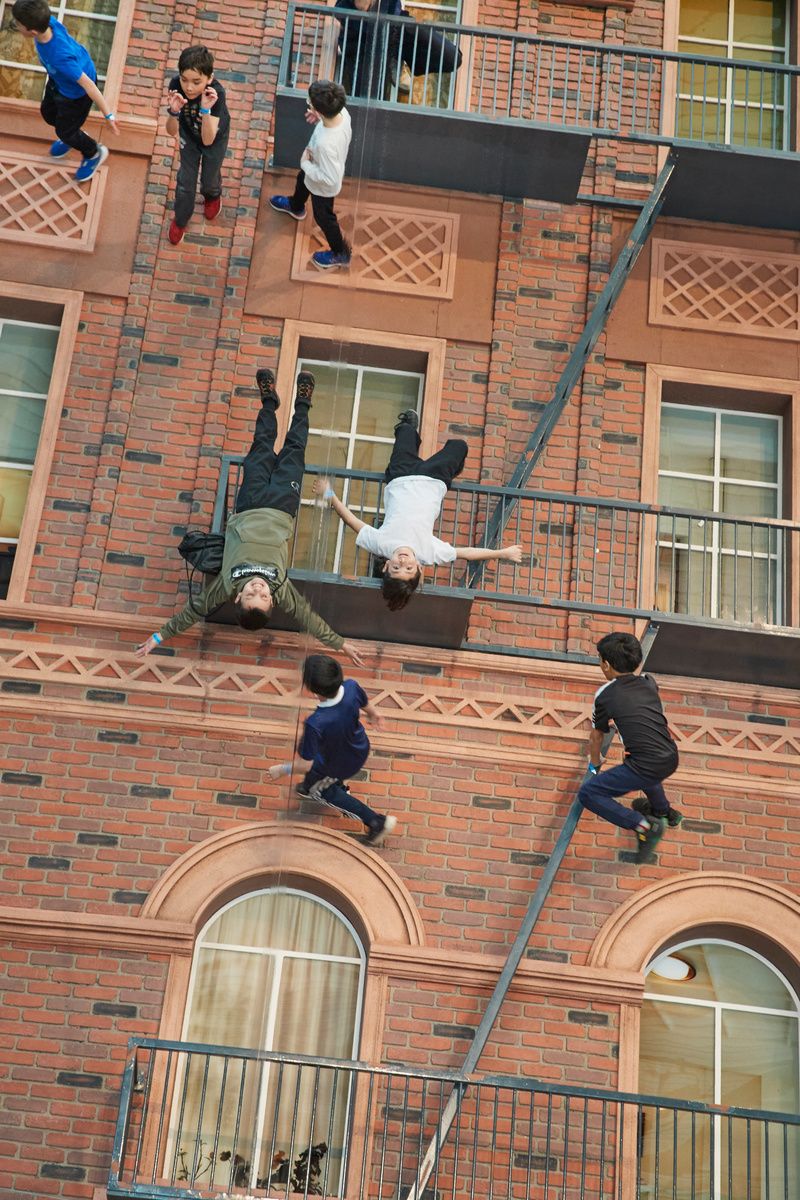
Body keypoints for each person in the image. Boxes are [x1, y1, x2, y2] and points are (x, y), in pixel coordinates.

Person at [135, 370, 362, 664]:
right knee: (295, 449)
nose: (258, 589)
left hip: (249, 504)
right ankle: (303, 402)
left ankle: (268, 401)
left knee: (261, 446)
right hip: (282, 505)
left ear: (238, 598)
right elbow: (309, 619)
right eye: (264, 597)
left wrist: (158, 637)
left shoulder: (227, 584)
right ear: (272, 599)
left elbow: (193, 611)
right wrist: (341, 645)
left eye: (252, 594)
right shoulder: (280, 586)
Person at [314, 410, 523, 610]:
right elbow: (467, 553)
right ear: (420, 568)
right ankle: (453, 468)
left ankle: (408, 426)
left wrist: (329, 494)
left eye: (397, 567)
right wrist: (502, 553)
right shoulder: (428, 552)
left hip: (400, 476)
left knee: (405, 432)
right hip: (433, 478)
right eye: (409, 568)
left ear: (386, 566)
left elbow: (352, 521)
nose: (403, 561)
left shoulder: (381, 544)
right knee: (459, 446)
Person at [269, 654, 397, 846]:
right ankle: (313, 784)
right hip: (358, 747)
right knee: (314, 779)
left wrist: (282, 769)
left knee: (322, 792)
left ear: (312, 690)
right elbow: (364, 703)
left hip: (336, 765)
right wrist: (375, 715)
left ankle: (376, 821)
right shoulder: (351, 687)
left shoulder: (315, 724)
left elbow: (305, 763)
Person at [577, 631, 682, 862]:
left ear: (606, 664)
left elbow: (597, 735)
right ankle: (663, 811)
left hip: (645, 764)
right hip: (670, 757)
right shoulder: (648, 682)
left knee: (589, 793)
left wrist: (594, 766)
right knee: (636, 760)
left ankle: (643, 826)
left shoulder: (605, 694)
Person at [11, 0, 118, 182]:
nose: (16, 26)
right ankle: (73, 136)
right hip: (58, 81)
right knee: (48, 113)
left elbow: (89, 85)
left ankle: (93, 152)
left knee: (65, 131)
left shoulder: (60, 56)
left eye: (19, 25)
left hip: (76, 95)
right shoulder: (48, 22)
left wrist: (108, 116)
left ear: (33, 32)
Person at [269, 80, 352, 271]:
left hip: (323, 186)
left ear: (321, 111)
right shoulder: (343, 114)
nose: (308, 103)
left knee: (324, 217)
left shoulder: (326, 144)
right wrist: (319, 117)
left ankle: (340, 253)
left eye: (310, 103)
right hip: (315, 166)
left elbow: (330, 178)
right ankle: (295, 206)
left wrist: (306, 164)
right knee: (302, 182)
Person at [164, 44, 230, 246]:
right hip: (189, 137)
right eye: (185, 80)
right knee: (185, 182)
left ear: (209, 78)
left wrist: (205, 110)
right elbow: (171, 131)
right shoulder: (176, 86)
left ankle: (212, 195)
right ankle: (181, 219)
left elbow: (208, 139)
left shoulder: (215, 94)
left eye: (196, 82)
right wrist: (173, 112)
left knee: (209, 177)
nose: (189, 88)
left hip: (214, 138)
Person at [334, 0, 405, 100]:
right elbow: (339, 10)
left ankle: (398, 61)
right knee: (361, 89)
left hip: (382, 48)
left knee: (378, 91)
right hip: (358, 48)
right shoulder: (346, 5)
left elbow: (395, 14)